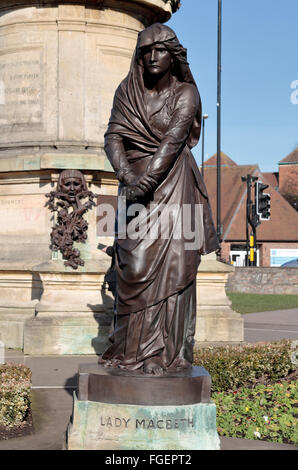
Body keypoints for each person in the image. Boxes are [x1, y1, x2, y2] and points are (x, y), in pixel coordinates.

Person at [99, 23, 218, 375]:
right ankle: (130, 350)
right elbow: (112, 137)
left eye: (161, 50)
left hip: (175, 187)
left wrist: (145, 181)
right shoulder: (128, 91)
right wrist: (128, 177)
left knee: (174, 268)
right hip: (135, 185)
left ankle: (163, 354)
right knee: (134, 266)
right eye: (146, 51)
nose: (152, 57)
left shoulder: (186, 94)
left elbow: (173, 141)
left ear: (174, 55)